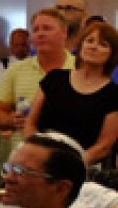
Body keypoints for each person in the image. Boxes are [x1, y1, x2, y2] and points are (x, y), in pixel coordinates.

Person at [0, 8, 76, 185]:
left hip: (69, 158)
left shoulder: (79, 69)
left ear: (64, 33)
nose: (40, 34)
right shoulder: (16, 70)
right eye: (36, 29)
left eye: (47, 28)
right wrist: (10, 120)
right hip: (23, 163)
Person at [25, 20, 118, 165]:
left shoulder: (113, 94)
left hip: (81, 167)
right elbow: (30, 123)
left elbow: (104, 146)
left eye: (103, 44)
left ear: (112, 55)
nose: (93, 47)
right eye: (90, 41)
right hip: (37, 160)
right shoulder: (55, 78)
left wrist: (70, 165)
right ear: (81, 46)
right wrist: (36, 154)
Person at [0, 27, 31, 92]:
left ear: (29, 45)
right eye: (16, 45)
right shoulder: (2, 65)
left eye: (23, 45)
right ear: (10, 45)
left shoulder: (37, 63)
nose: (20, 48)